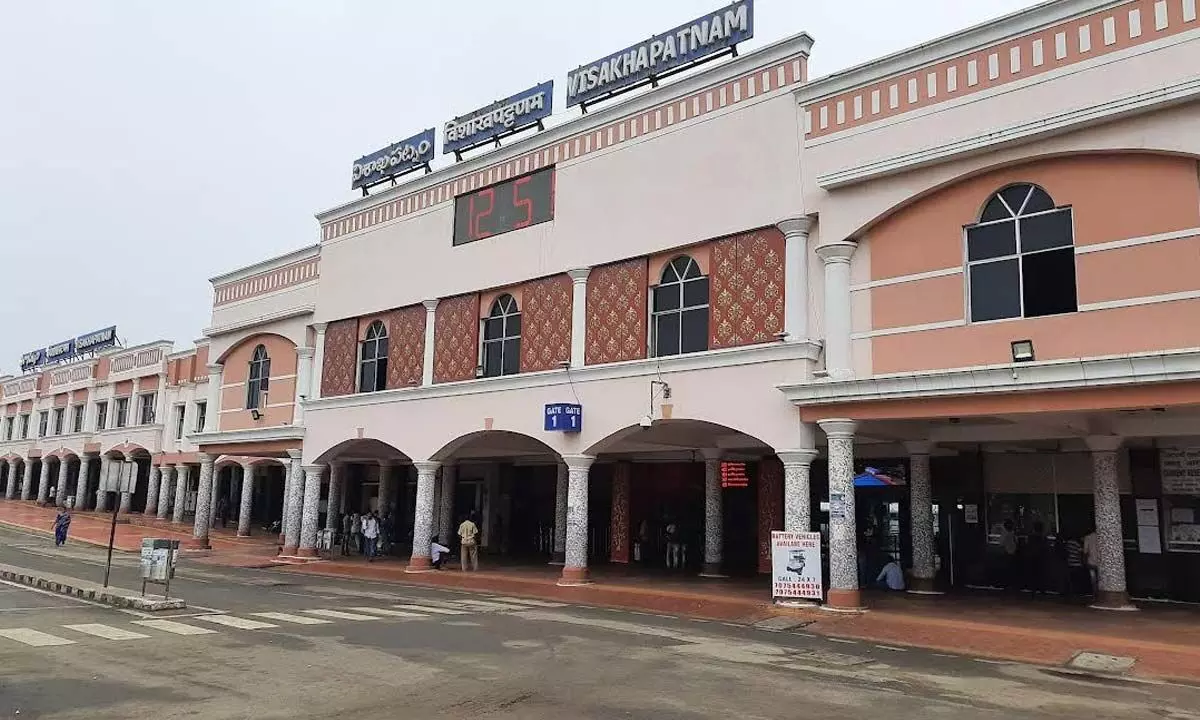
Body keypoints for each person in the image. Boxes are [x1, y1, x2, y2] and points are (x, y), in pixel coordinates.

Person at [1025, 521, 1048, 597]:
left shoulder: (1030, 537)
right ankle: (1042, 590)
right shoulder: (1043, 537)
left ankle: (1033, 590)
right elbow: (1046, 547)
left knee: (1033, 574)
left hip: (1032, 558)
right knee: (1041, 574)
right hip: (1041, 558)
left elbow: (1028, 547)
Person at [999, 520, 1019, 590]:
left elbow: (1001, 544)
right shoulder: (1009, 534)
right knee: (1010, 570)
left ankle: (1009, 585)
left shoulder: (1007, 534)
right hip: (1009, 554)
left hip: (1009, 554)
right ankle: (1009, 585)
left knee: (1009, 570)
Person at [1082, 528, 1099, 595]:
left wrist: (1084, 561)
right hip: (1101, 562)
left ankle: (1095, 593)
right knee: (1100, 579)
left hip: (1091, 561)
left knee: (1093, 578)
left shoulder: (1088, 537)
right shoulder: (1102, 537)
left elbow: (1085, 551)